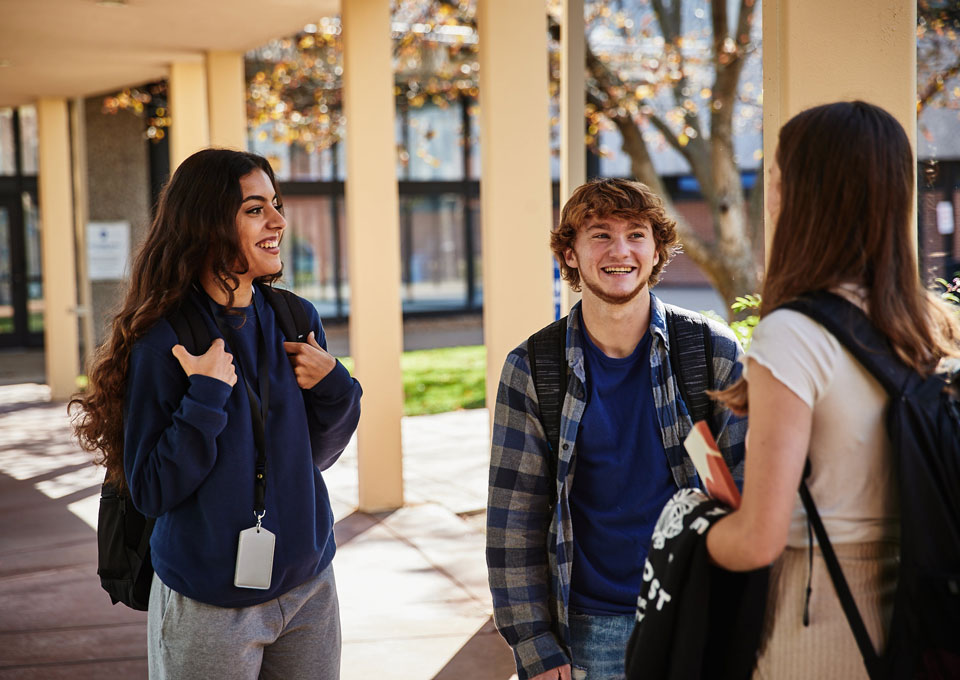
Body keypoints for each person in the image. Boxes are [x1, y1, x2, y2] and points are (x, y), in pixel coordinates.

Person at [71, 148, 361, 679]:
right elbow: (152, 490)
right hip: (207, 601)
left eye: (275, 204)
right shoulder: (164, 343)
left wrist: (336, 387)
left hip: (307, 588)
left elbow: (315, 457)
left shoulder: (295, 318)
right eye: (255, 209)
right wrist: (204, 397)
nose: (278, 220)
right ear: (207, 225)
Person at [705, 101, 960, 678]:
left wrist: (689, 533)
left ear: (806, 192)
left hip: (821, 624)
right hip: (922, 619)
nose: (770, 188)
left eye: (777, 173)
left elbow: (760, 541)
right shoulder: (931, 324)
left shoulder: (793, 334)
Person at [486, 178, 748, 680]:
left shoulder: (710, 351)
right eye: (600, 234)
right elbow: (512, 521)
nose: (620, 250)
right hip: (588, 627)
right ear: (571, 253)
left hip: (695, 613)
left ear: (656, 250)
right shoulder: (533, 366)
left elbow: (748, 491)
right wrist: (535, 645)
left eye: (636, 234)